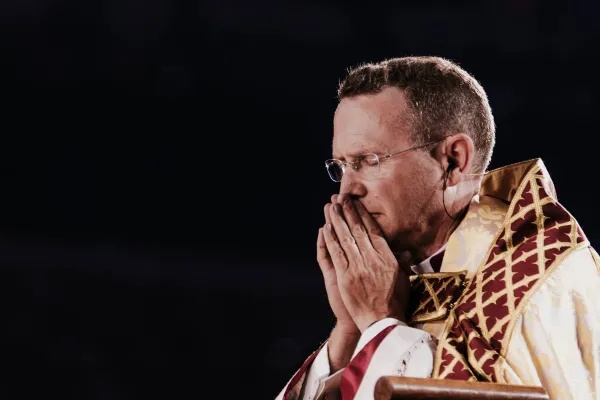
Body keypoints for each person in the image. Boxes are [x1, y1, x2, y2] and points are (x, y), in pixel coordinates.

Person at [275, 56, 600, 400]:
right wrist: (350, 332)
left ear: (452, 160)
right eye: (342, 166)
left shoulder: (544, 282)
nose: (347, 190)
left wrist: (380, 322)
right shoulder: (400, 276)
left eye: (368, 161)